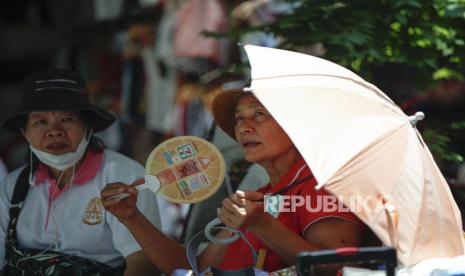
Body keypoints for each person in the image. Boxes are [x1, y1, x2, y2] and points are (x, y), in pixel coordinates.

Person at [100, 88, 363, 274]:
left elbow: (333, 267)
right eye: (239, 118)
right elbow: (194, 267)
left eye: (259, 115)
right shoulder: (261, 195)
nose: (243, 127)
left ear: (295, 126)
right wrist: (131, 218)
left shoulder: (321, 186)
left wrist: (262, 224)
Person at [0, 69, 161, 276]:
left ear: (88, 127)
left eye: (67, 119)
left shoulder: (122, 175)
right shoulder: (13, 187)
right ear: (25, 132)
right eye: (40, 122)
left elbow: (143, 259)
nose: (55, 131)